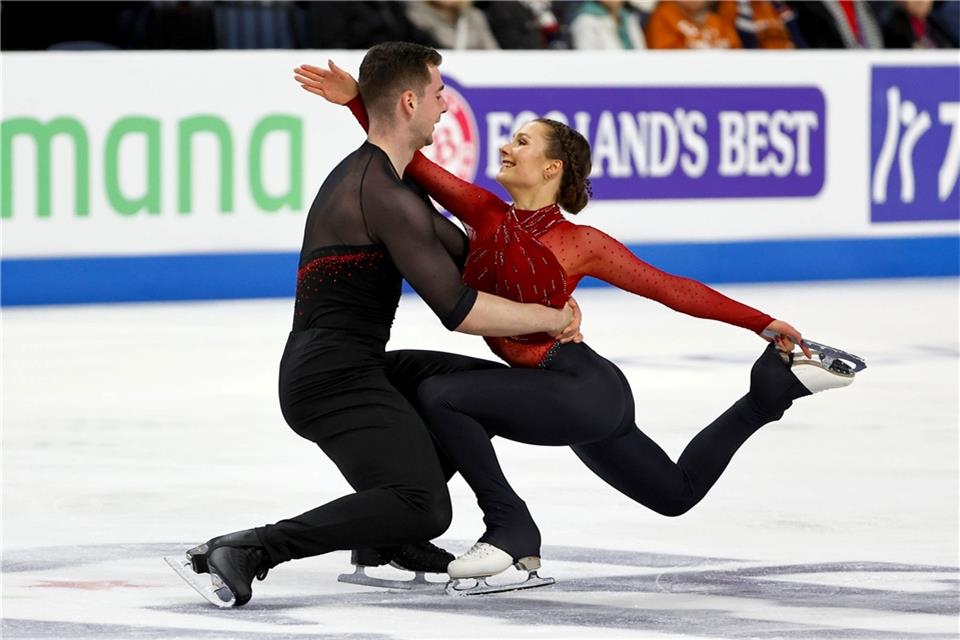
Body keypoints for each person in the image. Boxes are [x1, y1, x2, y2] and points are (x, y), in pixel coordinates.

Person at [295, 58, 858, 584]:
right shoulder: (485, 213)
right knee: (675, 492)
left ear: (552, 167)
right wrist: (359, 99)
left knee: (442, 395)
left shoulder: (580, 243)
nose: (506, 147)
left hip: (581, 386)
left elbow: (669, 288)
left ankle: (509, 528)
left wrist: (760, 322)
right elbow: (405, 154)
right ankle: (769, 394)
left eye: (522, 142)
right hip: (552, 392)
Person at [168, 42, 582, 609]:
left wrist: (553, 289)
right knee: (425, 505)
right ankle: (252, 549)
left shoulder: (394, 182)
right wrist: (550, 318)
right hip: (327, 380)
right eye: (438, 94)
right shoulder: (381, 193)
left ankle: (387, 540)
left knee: (473, 393)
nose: (445, 106)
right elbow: (459, 309)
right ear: (410, 101)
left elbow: (467, 258)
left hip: (355, 363)